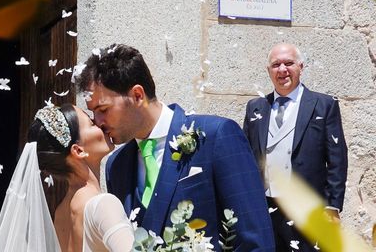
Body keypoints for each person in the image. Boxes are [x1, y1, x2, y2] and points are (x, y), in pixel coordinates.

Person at [79, 44, 275, 251]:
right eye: (93, 113)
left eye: (103, 109)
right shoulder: (116, 166)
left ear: (137, 95)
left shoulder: (216, 136)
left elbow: (255, 240)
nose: (97, 121)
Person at [243, 43, 348, 252]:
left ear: (301, 66)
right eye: (276, 65)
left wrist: (332, 206)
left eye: (288, 63)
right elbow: (246, 158)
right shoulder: (255, 107)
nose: (282, 70)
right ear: (268, 71)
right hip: (265, 206)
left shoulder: (323, 105)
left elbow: (337, 159)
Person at [0, 103, 134, 252]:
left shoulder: (61, 213)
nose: (100, 124)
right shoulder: (103, 205)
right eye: (91, 124)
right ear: (78, 151)